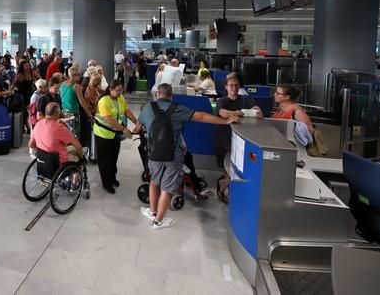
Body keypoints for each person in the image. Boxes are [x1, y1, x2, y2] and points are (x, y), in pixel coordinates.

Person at [139, 83, 240, 229]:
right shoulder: (177, 108)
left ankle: (153, 212)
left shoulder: (148, 107)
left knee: (154, 182)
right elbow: (202, 116)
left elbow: (138, 125)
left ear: (158, 94)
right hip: (173, 156)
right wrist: (225, 121)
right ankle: (158, 221)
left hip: (154, 154)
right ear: (171, 95)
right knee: (167, 189)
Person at [213, 73, 263, 204]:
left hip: (243, 141)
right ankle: (224, 186)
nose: (234, 88)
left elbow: (259, 113)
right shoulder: (222, 101)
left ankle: (226, 187)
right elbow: (222, 113)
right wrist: (246, 112)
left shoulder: (246, 99)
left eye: (236, 85)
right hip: (224, 140)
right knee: (229, 169)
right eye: (231, 86)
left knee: (237, 169)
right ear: (226, 87)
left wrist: (238, 113)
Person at [93, 79, 140, 194]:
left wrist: (137, 122)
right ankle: (106, 183)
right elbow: (108, 119)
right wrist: (123, 129)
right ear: (111, 89)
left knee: (114, 157)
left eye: (121, 90)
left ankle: (112, 177)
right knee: (105, 160)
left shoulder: (120, 98)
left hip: (114, 134)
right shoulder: (104, 101)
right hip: (103, 134)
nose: (120, 92)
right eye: (118, 90)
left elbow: (127, 111)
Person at [60, 68, 94, 140]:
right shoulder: (76, 86)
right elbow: (82, 101)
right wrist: (88, 113)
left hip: (64, 111)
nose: (80, 77)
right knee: (74, 134)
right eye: (79, 75)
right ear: (75, 75)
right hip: (73, 112)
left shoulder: (62, 84)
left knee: (66, 132)